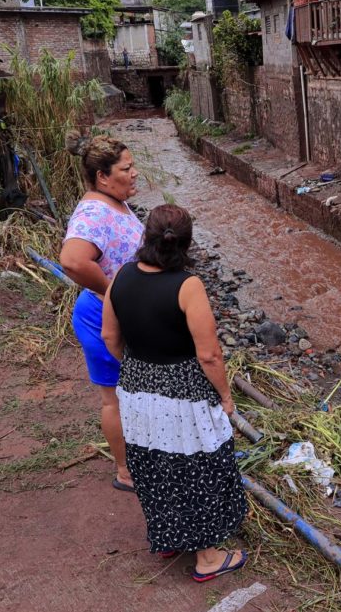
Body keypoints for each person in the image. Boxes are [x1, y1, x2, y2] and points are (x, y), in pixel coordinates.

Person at [101, 204, 249, 582]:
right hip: (184, 393)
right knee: (198, 466)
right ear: (186, 244)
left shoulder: (120, 276)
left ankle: (169, 538)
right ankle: (208, 558)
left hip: (135, 390)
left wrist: (140, 367)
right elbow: (209, 355)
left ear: (146, 236)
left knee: (154, 463)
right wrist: (226, 397)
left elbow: (109, 337)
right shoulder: (188, 285)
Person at [59, 133, 143, 492]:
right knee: (114, 398)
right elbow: (73, 260)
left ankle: (144, 455)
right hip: (101, 317)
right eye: (126, 168)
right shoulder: (93, 212)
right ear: (102, 177)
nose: (135, 173)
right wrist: (113, 293)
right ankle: (126, 472)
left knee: (134, 391)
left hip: (123, 314)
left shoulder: (115, 202)